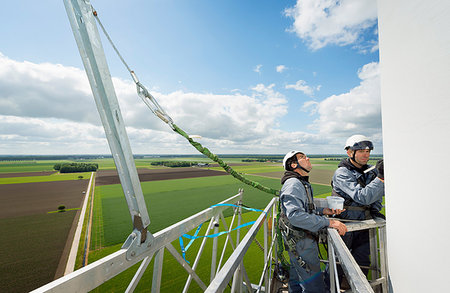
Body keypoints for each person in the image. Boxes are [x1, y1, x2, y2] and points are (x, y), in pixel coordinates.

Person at [279, 150, 347, 293]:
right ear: (293, 165)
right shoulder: (293, 184)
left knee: (297, 277)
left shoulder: (302, 183)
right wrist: (329, 222)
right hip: (301, 241)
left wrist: (324, 211)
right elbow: (296, 216)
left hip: (299, 240)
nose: (308, 158)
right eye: (302, 157)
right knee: (313, 284)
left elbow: (305, 209)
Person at [331, 134, 385, 286]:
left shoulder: (371, 171)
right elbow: (363, 197)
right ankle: (332, 287)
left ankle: (358, 287)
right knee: (339, 261)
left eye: (368, 151)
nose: (366, 154)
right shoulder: (342, 173)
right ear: (349, 153)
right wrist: (381, 178)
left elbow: (381, 192)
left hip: (365, 223)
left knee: (362, 261)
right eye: (361, 151)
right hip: (346, 225)